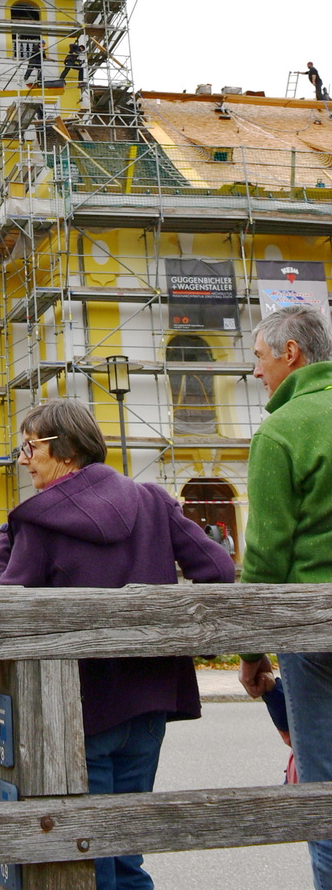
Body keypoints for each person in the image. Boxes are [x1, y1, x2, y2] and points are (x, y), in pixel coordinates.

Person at [0, 399, 234, 890]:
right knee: (125, 853)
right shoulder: (152, 501)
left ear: (65, 450)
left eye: (30, 447)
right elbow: (219, 569)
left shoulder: (38, 521)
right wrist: (183, 637)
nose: (23, 459)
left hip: (78, 708)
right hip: (149, 700)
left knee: (90, 858)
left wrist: (7, 536)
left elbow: (4, 609)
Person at [238, 304, 332, 889]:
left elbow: (266, 558)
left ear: (290, 353)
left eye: (259, 358)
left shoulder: (282, 430)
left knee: (324, 797)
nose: (256, 372)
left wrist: (251, 652)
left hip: (314, 633)